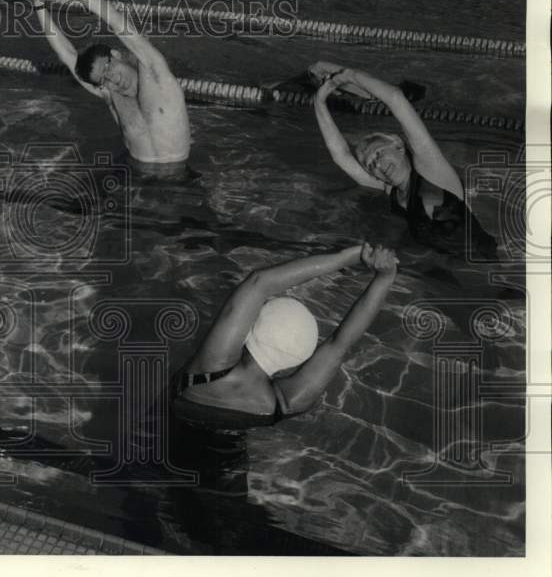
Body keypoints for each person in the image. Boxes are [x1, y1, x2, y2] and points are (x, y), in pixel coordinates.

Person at [174, 243, 397, 430]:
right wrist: (385, 277)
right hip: (227, 480)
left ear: (252, 327)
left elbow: (259, 283)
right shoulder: (286, 403)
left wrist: (348, 257)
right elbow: (340, 344)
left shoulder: (211, 369)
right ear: (300, 356)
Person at [312, 62, 498, 259]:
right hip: (445, 268)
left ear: (399, 147)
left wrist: (352, 76)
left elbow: (395, 98)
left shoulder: (433, 173)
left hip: (483, 267)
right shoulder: (392, 190)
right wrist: (319, 101)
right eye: (371, 165)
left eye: (379, 154)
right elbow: (341, 155)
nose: (378, 165)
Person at [32, 0, 191, 177]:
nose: (112, 79)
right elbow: (68, 55)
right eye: (104, 79)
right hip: (136, 175)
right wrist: (39, 7)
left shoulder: (155, 73)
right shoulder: (110, 95)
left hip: (181, 176)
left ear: (115, 55)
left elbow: (116, 22)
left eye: (109, 68)